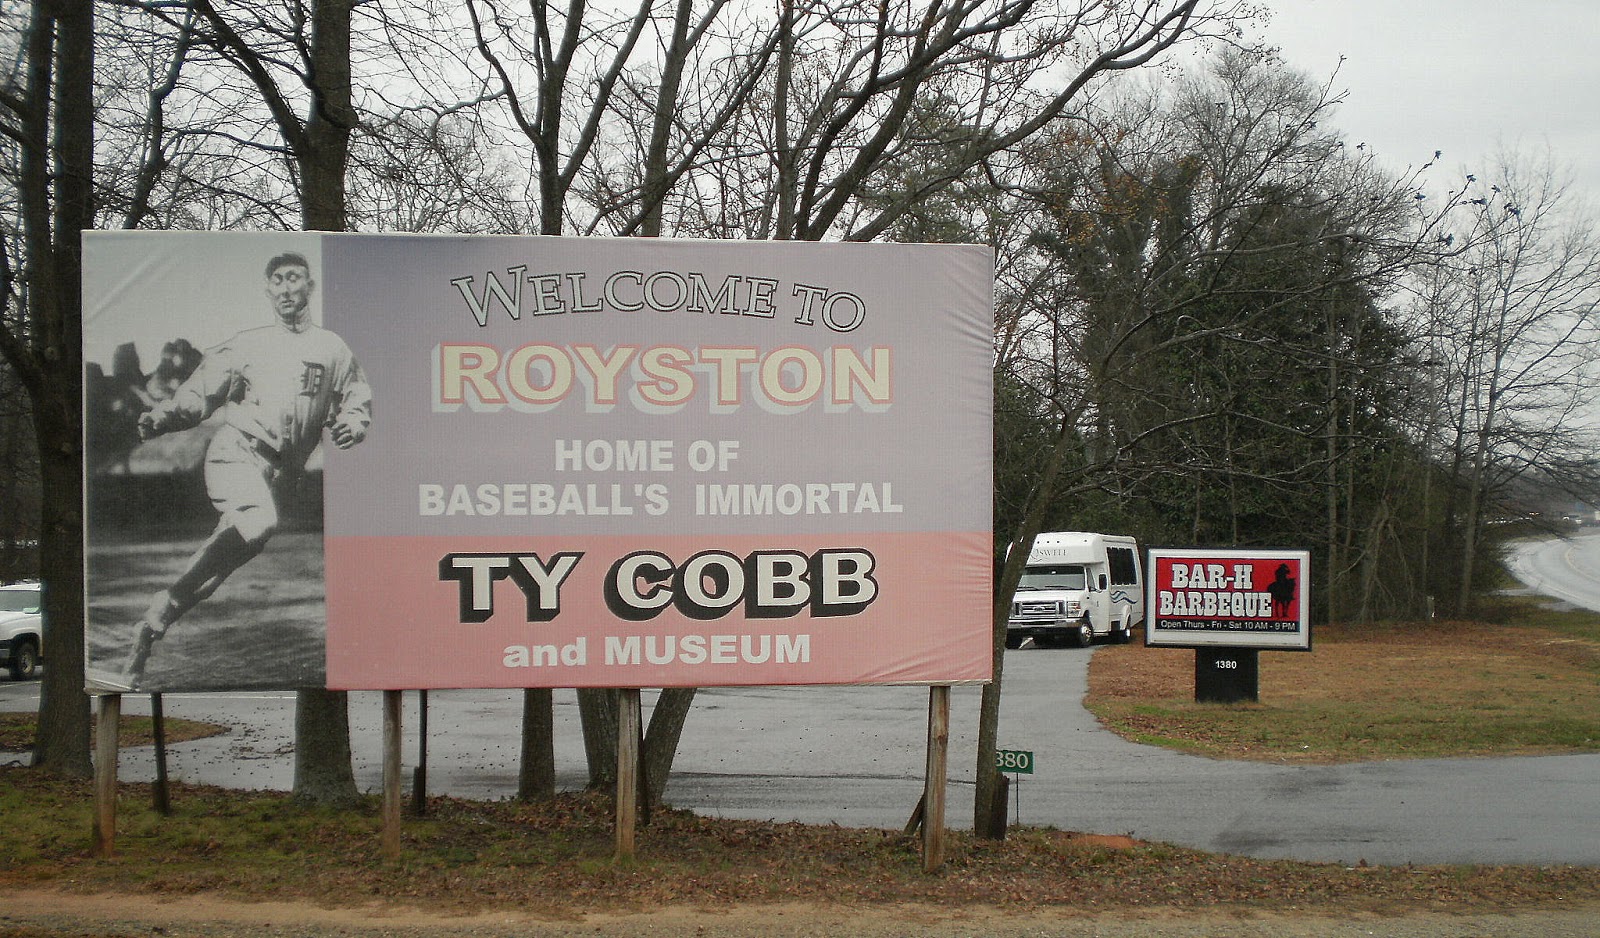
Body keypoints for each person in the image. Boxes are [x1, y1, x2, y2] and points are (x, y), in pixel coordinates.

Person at [123, 252, 372, 687]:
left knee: (222, 568)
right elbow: (200, 394)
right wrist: (161, 417)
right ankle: (159, 613)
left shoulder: (332, 348)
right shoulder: (247, 344)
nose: (286, 288)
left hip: (281, 476)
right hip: (236, 453)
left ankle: (156, 617)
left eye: (294, 278)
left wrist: (353, 423)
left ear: (309, 287)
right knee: (257, 523)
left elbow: (354, 397)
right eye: (277, 280)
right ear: (268, 290)